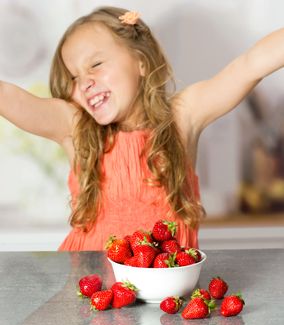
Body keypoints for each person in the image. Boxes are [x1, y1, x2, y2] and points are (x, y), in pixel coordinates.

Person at [0, 6, 283, 251]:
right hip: (91, 295)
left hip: (167, 294)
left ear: (142, 62)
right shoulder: (76, 128)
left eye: (96, 64)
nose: (84, 81)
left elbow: (249, 65)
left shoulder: (182, 116)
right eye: (73, 77)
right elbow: (12, 99)